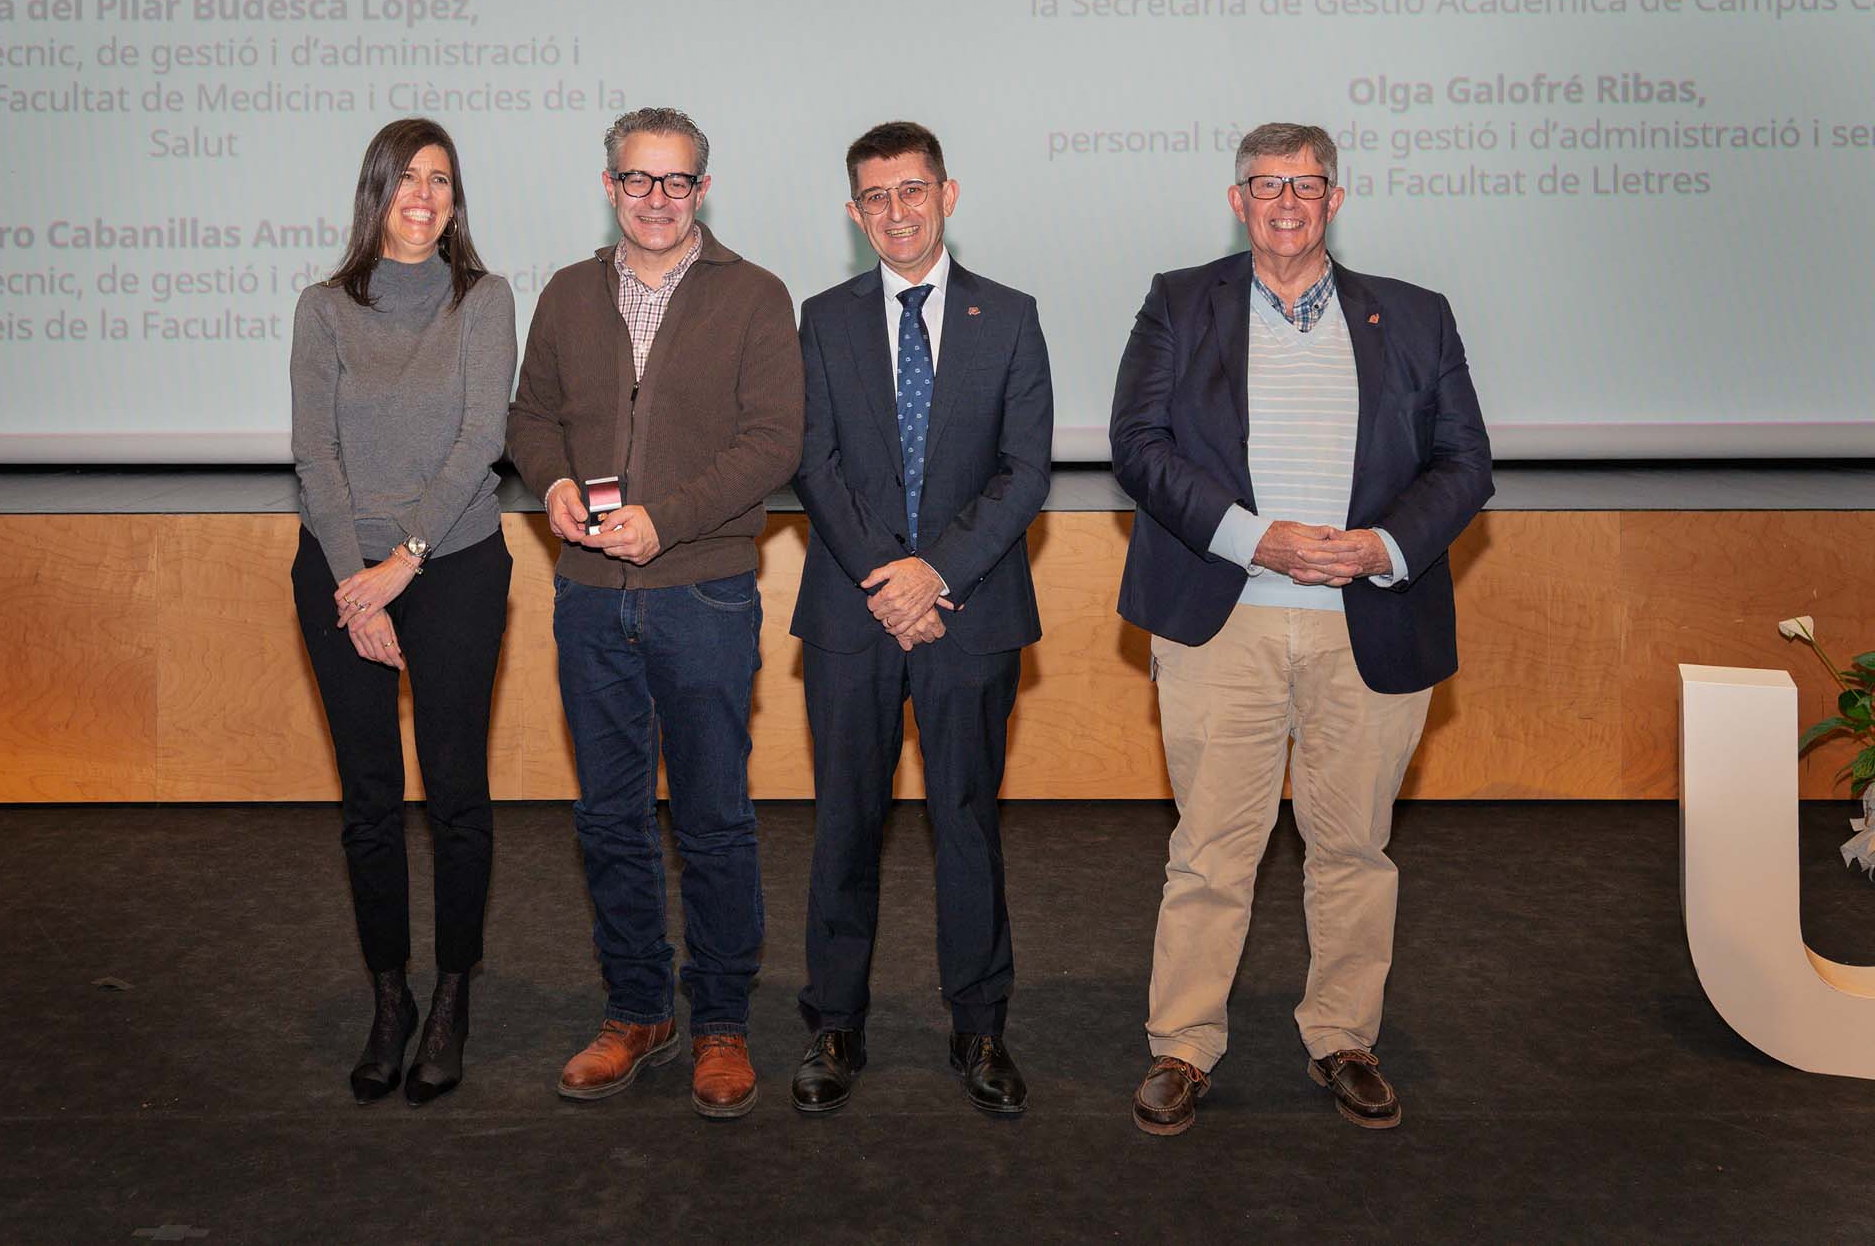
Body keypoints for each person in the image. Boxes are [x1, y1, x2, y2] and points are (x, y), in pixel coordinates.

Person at [1109, 121, 1492, 1134]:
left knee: (1354, 847)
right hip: (1221, 620)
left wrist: (1378, 546)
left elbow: (1464, 462)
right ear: (1237, 200)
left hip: (1369, 625)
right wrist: (1256, 539)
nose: (1287, 201)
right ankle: (1182, 1046)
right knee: (1209, 850)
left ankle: (1343, 1037)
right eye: (1267, 184)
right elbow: (1137, 445)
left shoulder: (1415, 315)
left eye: (1307, 184)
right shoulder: (1178, 302)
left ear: (1335, 198)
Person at [505, 107, 802, 1120]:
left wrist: (664, 521)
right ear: (610, 186)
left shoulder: (755, 296)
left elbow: (774, 441)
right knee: (608, 817)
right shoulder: (565, 292)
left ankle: (719, 1020)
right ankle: (637, 1011)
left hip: (705, 593)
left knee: (714, 818)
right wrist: (551, 482)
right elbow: (530, 416)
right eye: (638, 179)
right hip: (589, 597)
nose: (657, 199)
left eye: (677, 181)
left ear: (702, 190)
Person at [788, 121, 1052, 1116]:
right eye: (875, 196)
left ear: (947, 193)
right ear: (853, 212)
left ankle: (979, 1025)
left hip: (969, 614)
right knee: (844, 824)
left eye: (911, 190)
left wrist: (933, 576)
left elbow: (1024, 470)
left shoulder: (1010, 316)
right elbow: (814, 463)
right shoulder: (823, 318)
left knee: (967, 822)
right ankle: (833, 1023)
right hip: (852, 615)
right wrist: (888, 582)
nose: (895, 211)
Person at [290, 117, 517, 1108]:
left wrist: (402, 564)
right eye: (406, 179)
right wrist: (357, 582)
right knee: (370, 801)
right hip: (341, 571)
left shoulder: (484, 300)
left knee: (457, 793)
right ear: (375, 193)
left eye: (441, 180)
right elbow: (315, 457)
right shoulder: (323, 309)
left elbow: (480, 439)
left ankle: (452, 993)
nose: (423, 196)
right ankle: (390, 996)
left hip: (454, 563)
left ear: (455, 201)